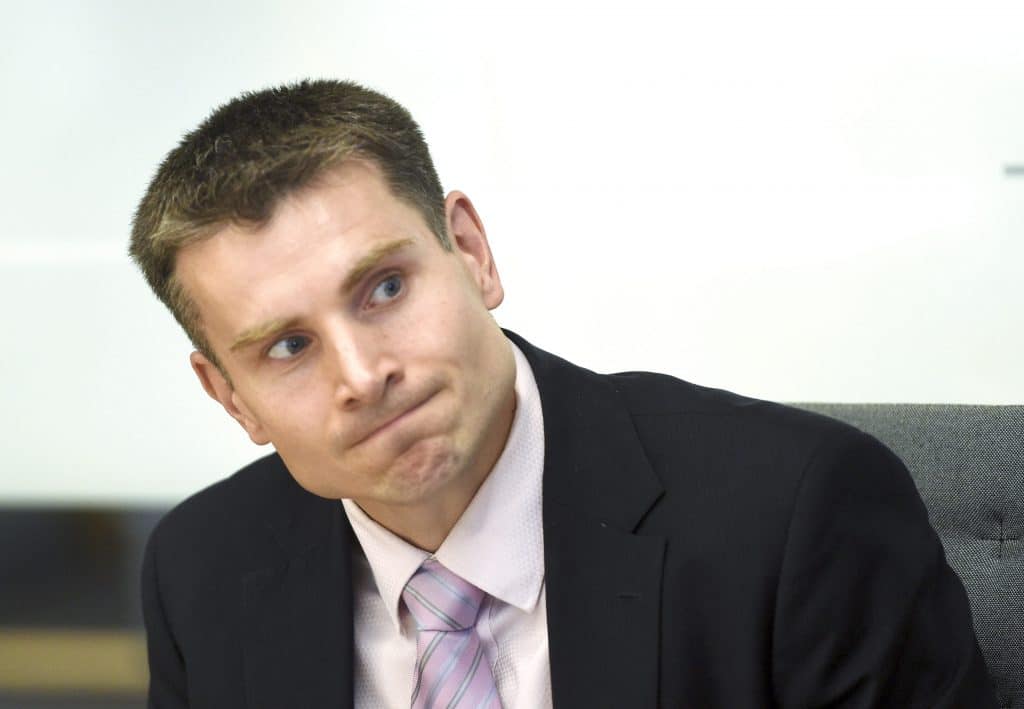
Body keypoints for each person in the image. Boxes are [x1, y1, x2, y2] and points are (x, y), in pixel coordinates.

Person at [130, 79, 997, 708]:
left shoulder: (794, 515)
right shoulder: (201, 570)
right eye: (288, 346)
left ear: (472, 253)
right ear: (231, 397)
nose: (362, 375)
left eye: (385, 288)